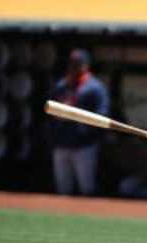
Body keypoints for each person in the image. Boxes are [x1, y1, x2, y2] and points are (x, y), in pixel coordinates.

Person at [49, 49, 109, 195]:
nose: (74, 67)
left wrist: (76, 117)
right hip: (61, 142)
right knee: (63, 188)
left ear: (86, 65)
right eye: (72, 64)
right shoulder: (61, 86)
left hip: (84, 145)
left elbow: (102, 114)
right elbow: (49, 112)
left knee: (86, 188)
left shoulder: (94, 88)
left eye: (77, 64)